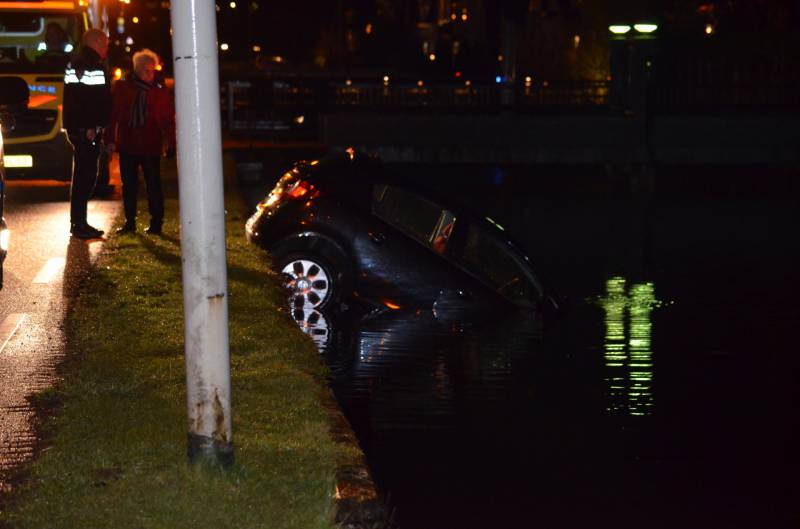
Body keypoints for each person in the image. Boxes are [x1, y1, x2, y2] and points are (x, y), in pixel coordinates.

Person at [107, 48, 175, 235]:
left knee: (153, 184)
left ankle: (156, 222)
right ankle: (130, 222)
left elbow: (168, 119)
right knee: (129, 185)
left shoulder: (158, 90)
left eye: (151, 70)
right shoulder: (122, 88)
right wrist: (110, 139)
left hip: (150, 144)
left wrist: (171, 143)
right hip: (129, 143)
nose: (149, 74)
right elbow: (114, 115)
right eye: (145, 70)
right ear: (136, 69)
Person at [63, 29, 111, 239]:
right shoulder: (89, 64)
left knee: (83, 175)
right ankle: (79, 224)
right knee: (85, 176)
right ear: (97, 42)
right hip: (86, 131)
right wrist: (91, 127)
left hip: (81, 129)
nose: (107, 48)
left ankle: (79, 222)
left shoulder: (78, 62)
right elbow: (87, 100)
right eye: (106, 44)